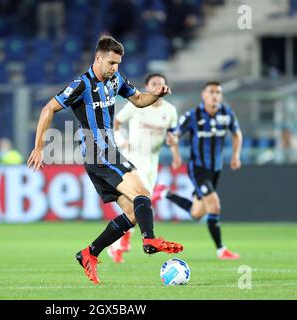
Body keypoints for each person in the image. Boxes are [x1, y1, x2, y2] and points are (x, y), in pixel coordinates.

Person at [27, 35, 184, 285]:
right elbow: (48, 109)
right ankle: (150, 239)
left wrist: (155, 94)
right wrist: (39, 147)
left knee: (133, 212)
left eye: (118, 63)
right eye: (111, 63)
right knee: (142, 192)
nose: (115, 68)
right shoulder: (81, 84)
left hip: (105, 152)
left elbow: (139, 100)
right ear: (98, 58)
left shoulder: (116, 80)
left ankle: (89, 253)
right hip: (98, 151)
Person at [156, 81, 243, 260]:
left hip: (215, 169)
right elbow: (176, 133)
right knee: (214, 205)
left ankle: (165, 193)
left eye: (218, 92)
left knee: (197, 213)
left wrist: (236, 156)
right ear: (204, 95)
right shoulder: (193, 115)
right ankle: (221, 250)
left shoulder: (226, 113)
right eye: (211, 92)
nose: (215, 95)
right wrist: (174, 144)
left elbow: (237, 134)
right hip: (198, 169)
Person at [107, 73, 181, 263]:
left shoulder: (170, 110)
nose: (158, 86)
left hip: (152, 161)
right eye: (154, 83)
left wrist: (175, 154)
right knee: (140, 202)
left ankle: (118, 244)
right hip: (133, 158)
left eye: (161, 83)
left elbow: (173, 134)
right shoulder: (136, 105)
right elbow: (116, 122)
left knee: (141, 206)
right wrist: (122, 141)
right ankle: (125, 242)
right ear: (148, 87)